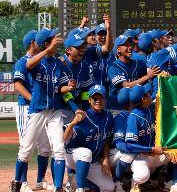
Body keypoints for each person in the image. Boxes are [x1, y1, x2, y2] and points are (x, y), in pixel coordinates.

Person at [10, 28, 78, 192]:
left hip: (54, 110)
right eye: (53, 39)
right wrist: (47, 50)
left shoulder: (57, 64)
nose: (57, 41)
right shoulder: (35, 61)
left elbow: (60, 87)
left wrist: (67, 87)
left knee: (59, 149)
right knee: (25, 150)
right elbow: (29, 65)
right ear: (46, 43)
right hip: (37, 110)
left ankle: (57, 187)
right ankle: (17, 183)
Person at [12, 30, 52, 191]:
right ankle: (22, 184)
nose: (41, 43)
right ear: (32, 43)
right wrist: (32, 99)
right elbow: (18, 86)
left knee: (44, 146)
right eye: (38, 41)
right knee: (26, 146)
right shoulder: (22, 62)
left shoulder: (42, 62)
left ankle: (40, 181)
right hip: (26, 108)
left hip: (42, 109)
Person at [64, 85, 114, 192]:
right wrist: (73, 123)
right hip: (73, 157)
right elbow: (65, 137)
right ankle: (80, 188)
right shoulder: (83, 116)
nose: (98, 101)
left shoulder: (108, 117)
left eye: (101, 98)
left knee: (109, 187)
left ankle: (76, 180)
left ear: (105, 99)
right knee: (85, 152)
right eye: (95, 98)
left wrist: (105, 160)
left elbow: (106, 140)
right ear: (89, 100)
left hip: (92, 161)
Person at [125, 85, 170, 192]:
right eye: (148, 93)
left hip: (154, 154)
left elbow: (160, 95)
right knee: (142, 176)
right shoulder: (134, 117)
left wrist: (165, 81)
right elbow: (129, 145)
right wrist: (152, 149)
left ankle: (170, 181)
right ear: (144, 99)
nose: (150, 94)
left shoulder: (150, 107)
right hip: (140, 157)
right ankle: (135, 182)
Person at [107, 34, 159, 114]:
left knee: (145, 87)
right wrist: (147, 76)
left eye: (130, 44)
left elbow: (149, 78)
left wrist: (162, 74)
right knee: (125, 92)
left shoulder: (139, 64)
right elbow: (126, 85)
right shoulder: (114, 67)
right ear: (118, 49)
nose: (130, 47)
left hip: (135, 108)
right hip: (117, 109)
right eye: (125, 45)